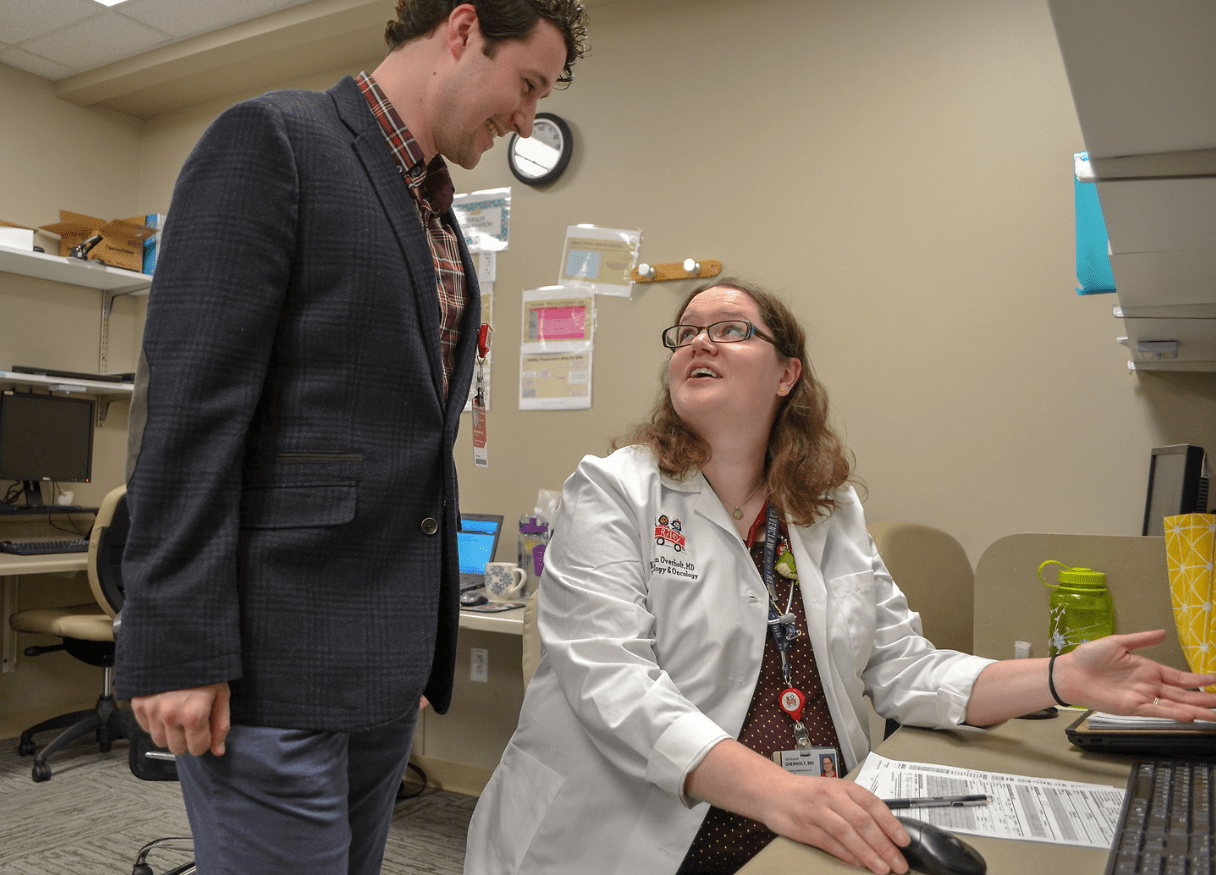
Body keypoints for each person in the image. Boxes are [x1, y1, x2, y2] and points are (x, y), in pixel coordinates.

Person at [464, 278, 1216, 875]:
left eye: (731, 329)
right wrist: (785, 795)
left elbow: (907, 669)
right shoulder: (613, 490)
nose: (700, 340)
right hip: (634, 838)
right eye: (686, 332)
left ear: (787, 372)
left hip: (803, 827)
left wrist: (1062, 678)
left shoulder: (826, 512)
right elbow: (614, 685)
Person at [114, 2, 587, 874]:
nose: (526, 119)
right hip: (269, 662)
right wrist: (177, 644)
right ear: (461, 29)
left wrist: (411, 637)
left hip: (378, 662)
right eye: (525, 85)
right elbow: (187, 412)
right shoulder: (275, 143)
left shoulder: (436, 215)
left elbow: (401, 444)